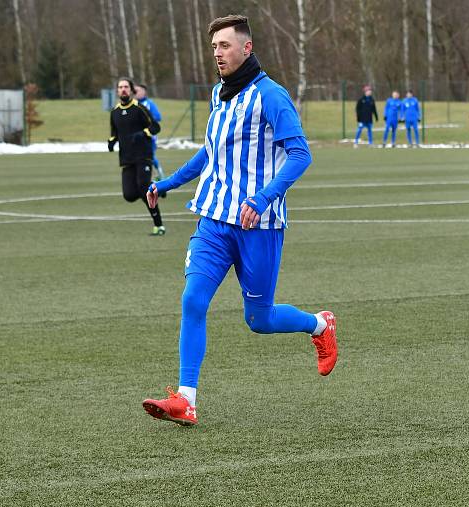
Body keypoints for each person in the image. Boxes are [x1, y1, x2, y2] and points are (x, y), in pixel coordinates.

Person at [141, 14, 338, 426]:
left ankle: (319, 326)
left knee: (259, 319)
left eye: (225, 45)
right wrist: (170, 182)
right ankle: (186, 398)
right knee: (192, 300)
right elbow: (211, 151)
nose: (217, 53)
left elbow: (301, 155)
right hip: (213, 221)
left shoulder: (271, 96)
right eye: (213, 47)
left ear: (246, 48)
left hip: (258, 227)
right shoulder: (219, 94)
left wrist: (264, 198)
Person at [108, 77, 166, 235]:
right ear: (117, 91)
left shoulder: (139, 108)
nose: (123, 89)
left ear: (131, 90)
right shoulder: (114, 112)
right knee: (129, 195)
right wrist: (111, 142)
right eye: (120, 87)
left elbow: (156, 126)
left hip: (143, 155)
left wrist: (143, 133)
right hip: (126, 158)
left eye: (126, 86)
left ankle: (159, 226)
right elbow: (114, 133)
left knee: (142, 187)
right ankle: (156, 186)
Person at [134, 83, 167, 182]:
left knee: (150, 156)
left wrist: (145, 120)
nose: (136, 93)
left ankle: (160, 174)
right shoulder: (133, 104)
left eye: (138, 90)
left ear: (144, 92)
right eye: (134, 91)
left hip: (149, 136)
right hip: (137, 136)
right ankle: (147, 176)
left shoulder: (149, 103)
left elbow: (158, 117)